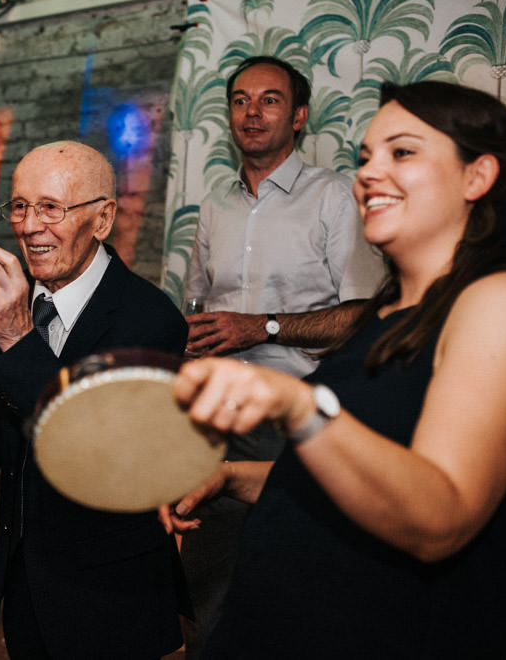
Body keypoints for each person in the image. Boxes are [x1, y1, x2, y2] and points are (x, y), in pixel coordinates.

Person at [164, 80, 506, 658]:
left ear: (477, 176)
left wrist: (296, 404)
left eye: (403, 152)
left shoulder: (503, 303)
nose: (367, 173)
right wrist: (230, 478)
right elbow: (339, 477)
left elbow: (442, 518)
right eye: (365, 157)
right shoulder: (385, 318)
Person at [0, 141, 191, 659]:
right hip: (25, 576)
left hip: (109, 593)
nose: (27, 226)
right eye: (20, 206)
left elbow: (102, 454)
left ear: (103, 218)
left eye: (51, 207)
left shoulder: (150, 320)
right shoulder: (13, 302)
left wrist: (18, 338)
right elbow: (16, 422)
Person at [178, 55, 384, 651]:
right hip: (215, 417)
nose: (252, 112)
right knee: (209, 590)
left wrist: (260, 327)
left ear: (298, 117)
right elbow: (198, 303)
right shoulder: (214, 204)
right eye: (241, 99)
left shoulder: (334, 198)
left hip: (295, 419)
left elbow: (362, 315)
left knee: (295, 586)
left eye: (269, 100)